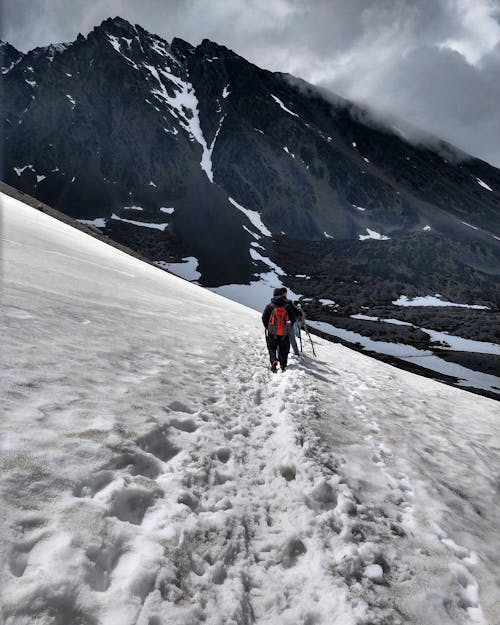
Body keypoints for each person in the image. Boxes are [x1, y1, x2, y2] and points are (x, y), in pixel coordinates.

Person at [262, 288, 296, 372]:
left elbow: (264, 318)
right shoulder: (287, 306)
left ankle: (273, 360)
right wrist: (288, 327)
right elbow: (293, 318)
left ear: (273, 295)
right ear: (282, 295)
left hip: (272, 332)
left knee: (272, 348)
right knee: (284, 348)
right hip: (284, 332)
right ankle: (283, 365)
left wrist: (267, 327)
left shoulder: (269, 306)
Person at [280, 288, 304, 357]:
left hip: (280, 324)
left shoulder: (276, 302)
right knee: (292, 339)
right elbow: (295, 311)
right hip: (289, 323)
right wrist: (300, 313)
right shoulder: (288, 302)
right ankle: (296, 353)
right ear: (285, 293)